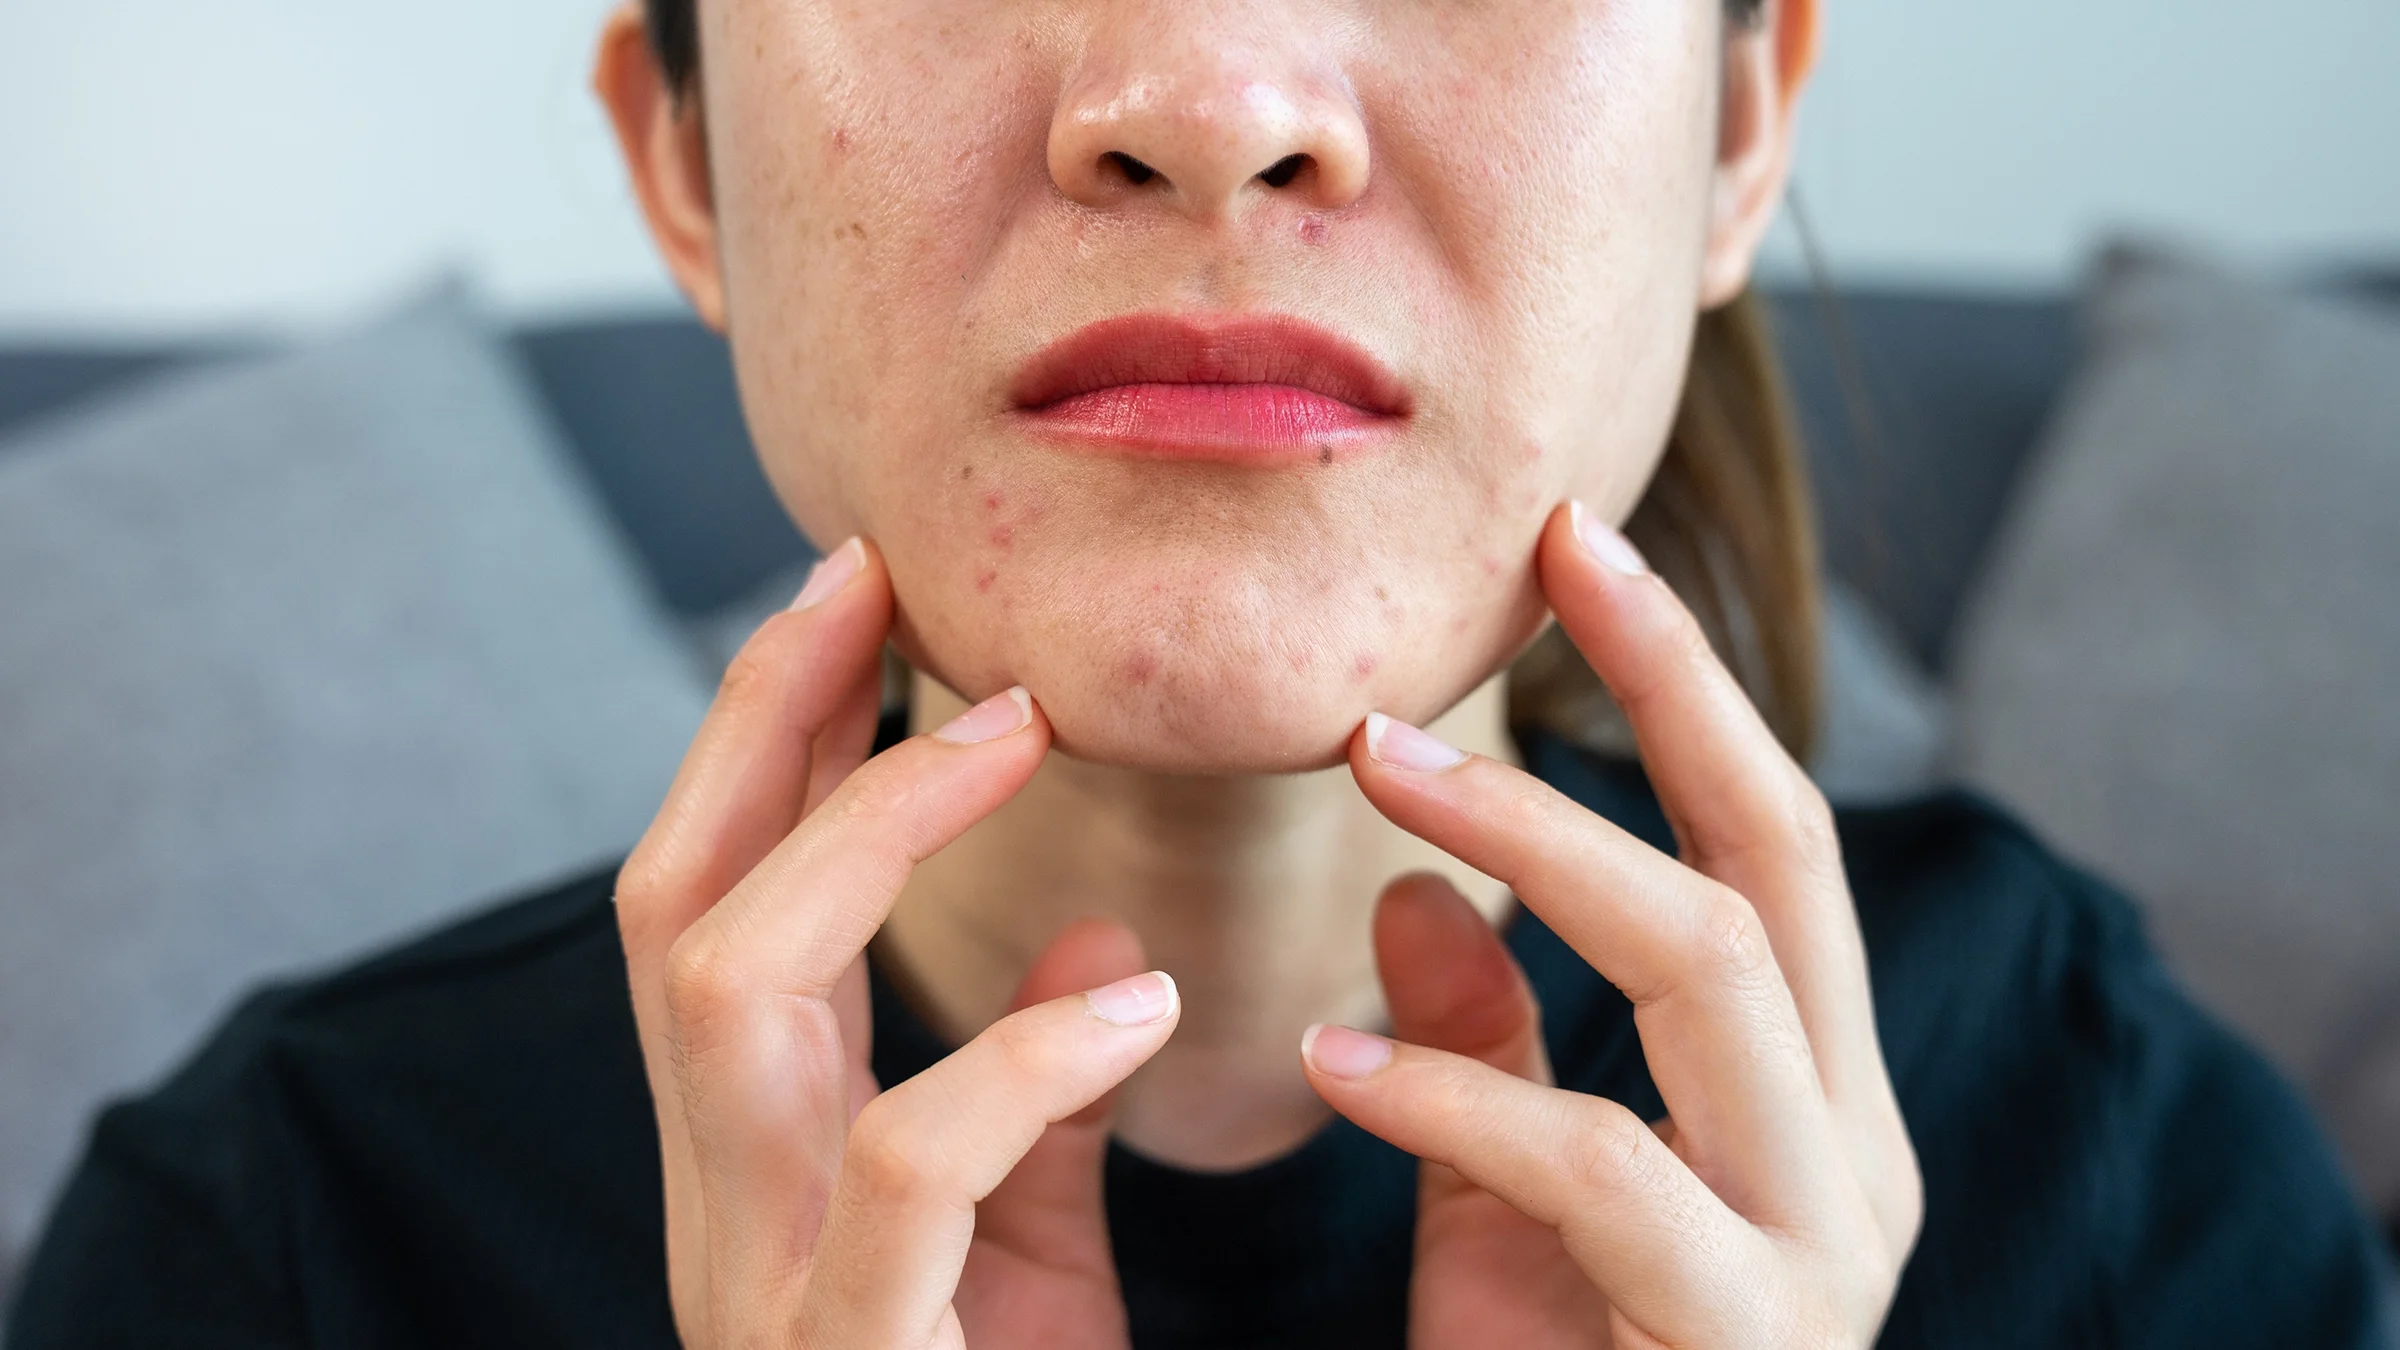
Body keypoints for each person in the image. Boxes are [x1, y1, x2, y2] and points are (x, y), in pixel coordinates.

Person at [10, 0, 2397, 1345]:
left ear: (1739, 123)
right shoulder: (273, 1244)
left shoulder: (2112, 1147)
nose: (1209, 100)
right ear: (683, 165)